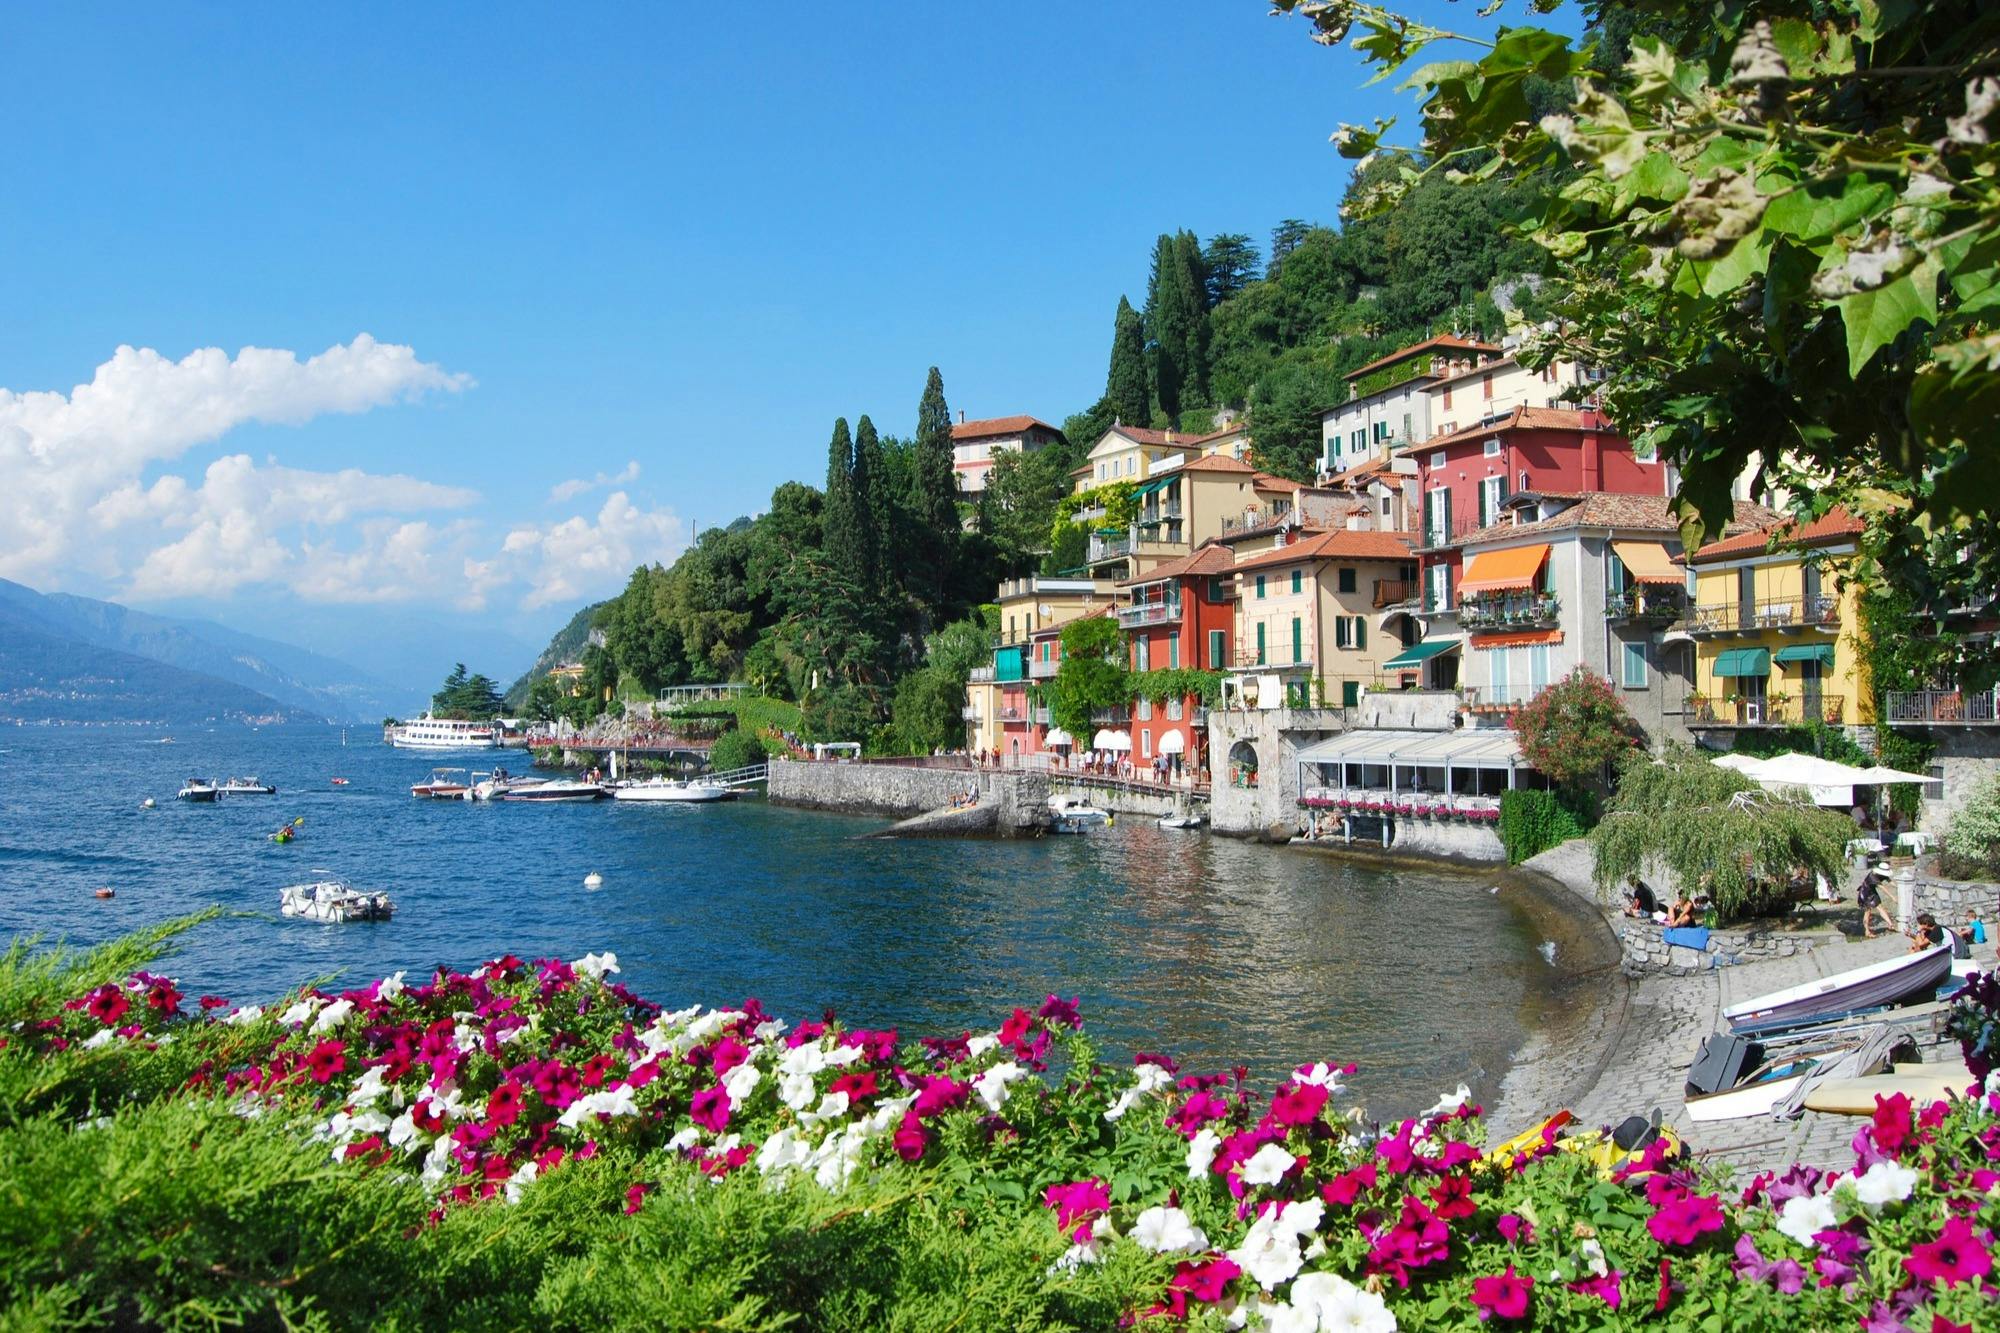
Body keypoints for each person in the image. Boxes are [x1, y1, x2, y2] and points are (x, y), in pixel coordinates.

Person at [1856, 871, 1897, 939]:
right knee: (1867, 911)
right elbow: (1883, 888)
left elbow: (1889, 881)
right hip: (1865, 892)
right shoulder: (1873, 877)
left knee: (1880, 907)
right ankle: (1867, 931)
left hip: (1872, 891)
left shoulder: (1882, 873)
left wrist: (1898, 886)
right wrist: (1892, 897)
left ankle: (1891, 925)